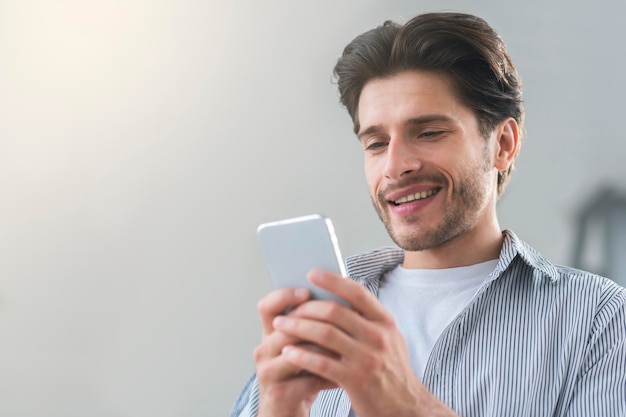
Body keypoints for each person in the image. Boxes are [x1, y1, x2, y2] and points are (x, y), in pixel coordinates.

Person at [229, 11, 626, 417]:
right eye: (377, 143)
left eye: (429, 132)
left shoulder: (599, 320)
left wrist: (406, 406)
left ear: (503, 144)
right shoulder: (321, 314)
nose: (395, 166)